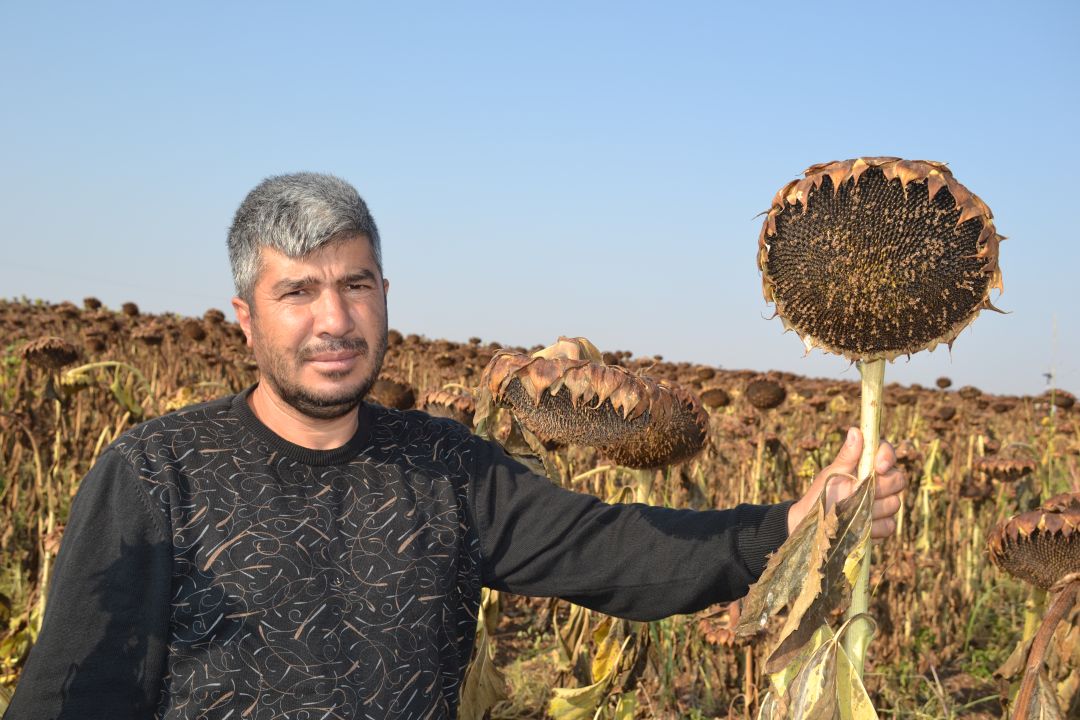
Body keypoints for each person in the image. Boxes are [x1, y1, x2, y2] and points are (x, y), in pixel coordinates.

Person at [4, 173, 906, 719]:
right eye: (298, 293)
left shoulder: (446, 466)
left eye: (356, 285)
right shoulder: (157, 472)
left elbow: (618, 554)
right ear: (245, 317)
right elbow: (76, 689)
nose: (335, 320)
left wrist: (793, 523)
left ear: (385, 293)